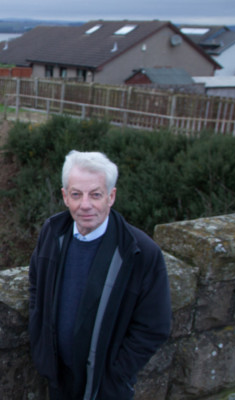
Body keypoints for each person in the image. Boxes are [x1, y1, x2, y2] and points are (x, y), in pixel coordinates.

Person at [28, 150, 171, 400]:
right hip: (58, 380)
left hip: (105, 389)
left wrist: (115, 375)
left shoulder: (141, 253)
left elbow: (154, 327)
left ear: (111, 196)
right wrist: (42, 348)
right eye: (76, 194)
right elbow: (36, 287)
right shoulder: (52, 233)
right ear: (65, 197)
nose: (85, 205)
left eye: (95, 194)